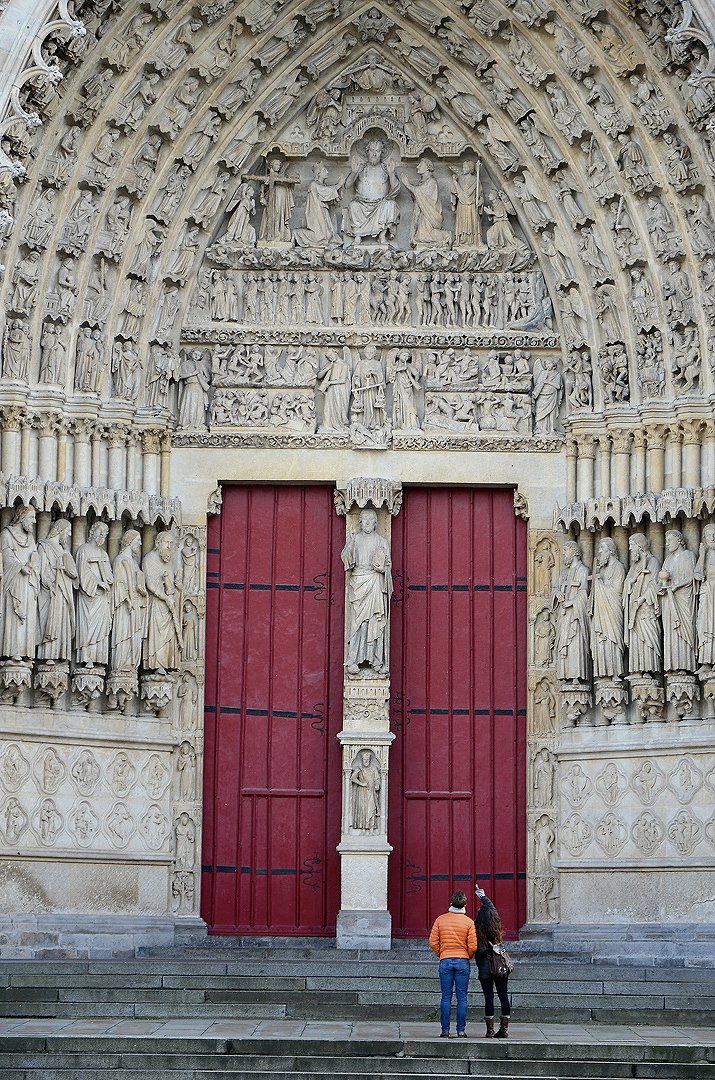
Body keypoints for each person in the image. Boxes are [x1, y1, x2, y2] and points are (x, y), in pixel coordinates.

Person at [429, 890, 477, 1038]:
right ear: (464, 904)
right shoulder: (469, 922)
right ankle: (461, 1030)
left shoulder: (440, 920)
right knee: (462, 996)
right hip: (462, 961)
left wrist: (442, 954)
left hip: (445, 960)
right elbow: (473, 946)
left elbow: (432, 942)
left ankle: (445, 1030)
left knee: (446, 996)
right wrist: (466, 956)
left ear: (451, 903)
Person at [474, 886, 511, 1039]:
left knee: (488, 998)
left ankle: (489, 1030)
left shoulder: (476, 929)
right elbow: (492, 908)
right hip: (500, 965)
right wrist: (482, 896)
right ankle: (504, 1029)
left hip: (485, 968)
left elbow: (479, 950)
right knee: (503, 996)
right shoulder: (496, 924)